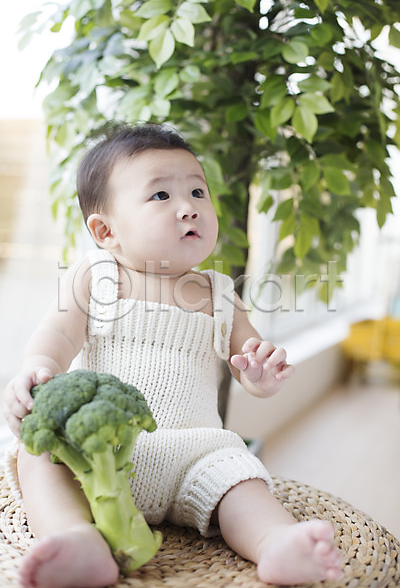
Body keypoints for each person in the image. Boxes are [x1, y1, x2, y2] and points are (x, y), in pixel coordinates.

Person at [3, 122, 342, 588]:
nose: (189, 209)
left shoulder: (221, 293)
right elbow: (56, 336)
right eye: (161, 196)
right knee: (36, 455)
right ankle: (76, 539)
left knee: (243, 482)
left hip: (196, 455)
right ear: (106, 231)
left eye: (198, 192)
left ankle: (275, 543)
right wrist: (36, 370)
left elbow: (250, 361)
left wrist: (261, 376)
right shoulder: (95, 275)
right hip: (104, 449)